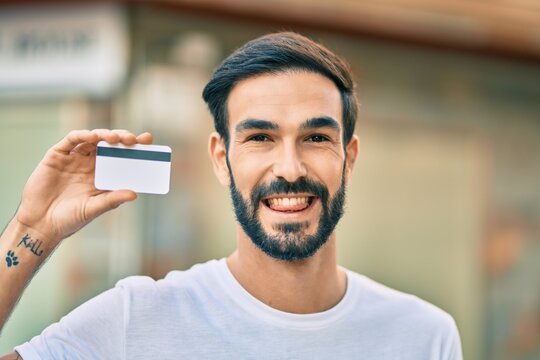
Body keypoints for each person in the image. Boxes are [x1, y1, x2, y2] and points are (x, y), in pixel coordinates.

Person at [0, 32, 462, 359]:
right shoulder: (134, 321)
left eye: (316, 138)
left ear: (350, 157)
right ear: (221, 158)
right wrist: (32, 229)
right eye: (260, 137)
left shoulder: (424, 336)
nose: (289, 168)